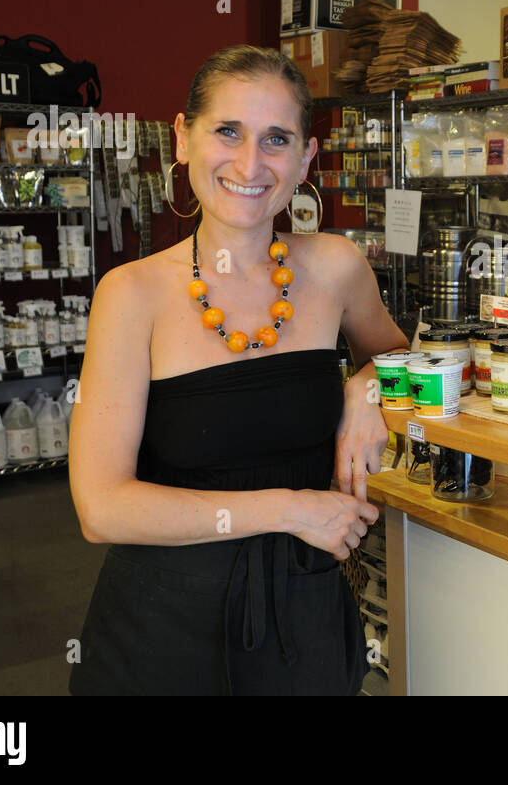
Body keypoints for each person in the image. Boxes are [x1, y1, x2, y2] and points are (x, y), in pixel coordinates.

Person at [67, 45, 408, 695]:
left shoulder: (335, 268)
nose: (251, 164)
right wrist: (289, 509)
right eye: (228, 131)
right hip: (161, 630)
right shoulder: (131, 293)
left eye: (276, 139)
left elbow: (405, 361)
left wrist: (369, 386)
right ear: (184, 139)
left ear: (306, 157)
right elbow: (101, 507)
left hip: (301, 617)